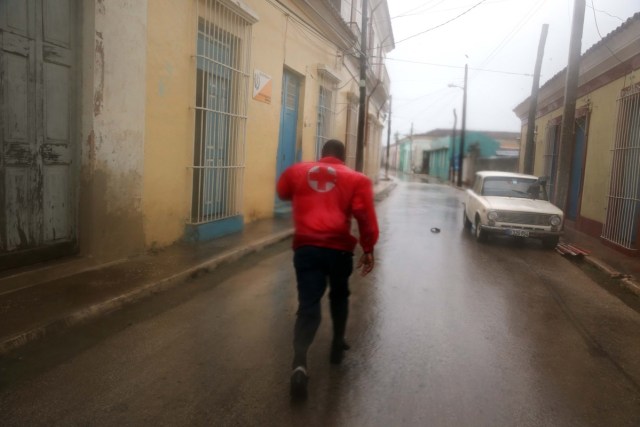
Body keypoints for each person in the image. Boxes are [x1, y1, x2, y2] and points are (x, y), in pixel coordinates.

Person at [276, 139, 379, 399]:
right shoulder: (357, 180)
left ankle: (299, 363)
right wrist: (368, 248)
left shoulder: (298, 171)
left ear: (321, 155)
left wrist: (307, 196)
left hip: (306, 249)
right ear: (343, 157)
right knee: (339, 295)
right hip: (338, 250)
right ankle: (336, 344)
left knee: (308, 304)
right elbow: (364, 216)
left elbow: (282, 191)